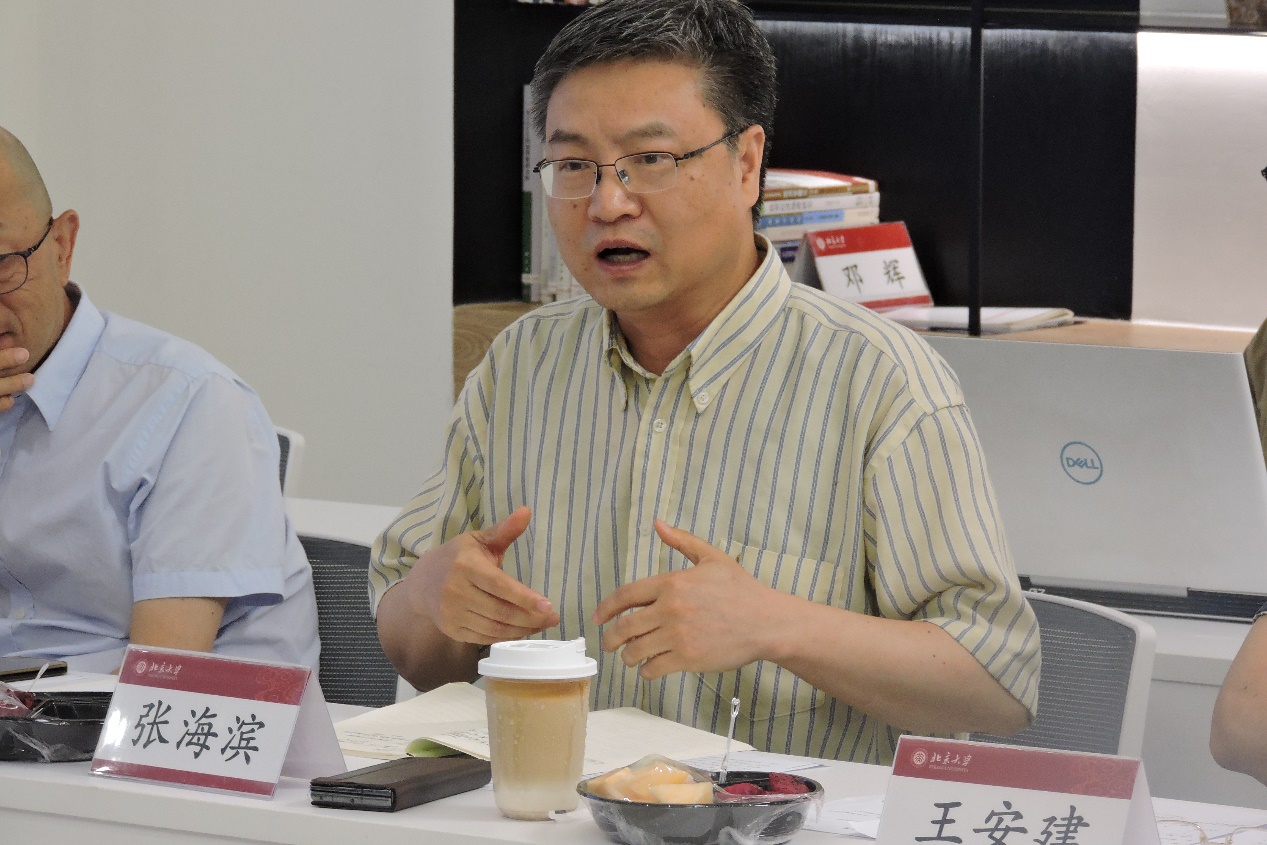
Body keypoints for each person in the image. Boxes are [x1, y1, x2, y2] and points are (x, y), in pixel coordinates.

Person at [372, 0, 1039, 764]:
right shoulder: (522, 362)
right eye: (573, 166)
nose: (607, 202)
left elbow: (997, 682)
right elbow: (411, 641)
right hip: (551, 808)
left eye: (651, 159)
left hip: (776, 816)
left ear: (746, 164)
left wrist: (778, 625)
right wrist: (433, 601)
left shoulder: (878, 379)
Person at [0, 126, 319, 674]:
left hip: (161, 718)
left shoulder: (190, 403)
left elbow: (165, 677)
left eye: (2, 264)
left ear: (62, 247)